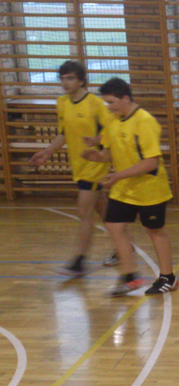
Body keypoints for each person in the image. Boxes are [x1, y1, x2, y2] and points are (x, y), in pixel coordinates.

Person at [81, 78, 177, 297]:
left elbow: (151, 162)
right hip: (124, 187)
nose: (109, 107)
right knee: (113, 225)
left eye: (111, 102)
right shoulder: (113, 120)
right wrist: (96, 156)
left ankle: (168, 278)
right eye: (106, 103)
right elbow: (108, 152)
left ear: (126, 98)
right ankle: (130, 276)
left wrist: (117, 176)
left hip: (149, 188)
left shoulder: (145, 121)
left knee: (155, 231)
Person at [29, 61, 118, 276]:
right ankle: (125, 246)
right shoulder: (62, 103)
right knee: (102, 209)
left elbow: (112, 131)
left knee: (83, 211)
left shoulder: (95, 104)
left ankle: (79, 260)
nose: (65, 82)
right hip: (78, 164)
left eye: (70, 78)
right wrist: (47, 152)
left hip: (95, 164)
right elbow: (63, 133)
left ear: (81, 80)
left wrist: (97, 141)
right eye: (62, 78)